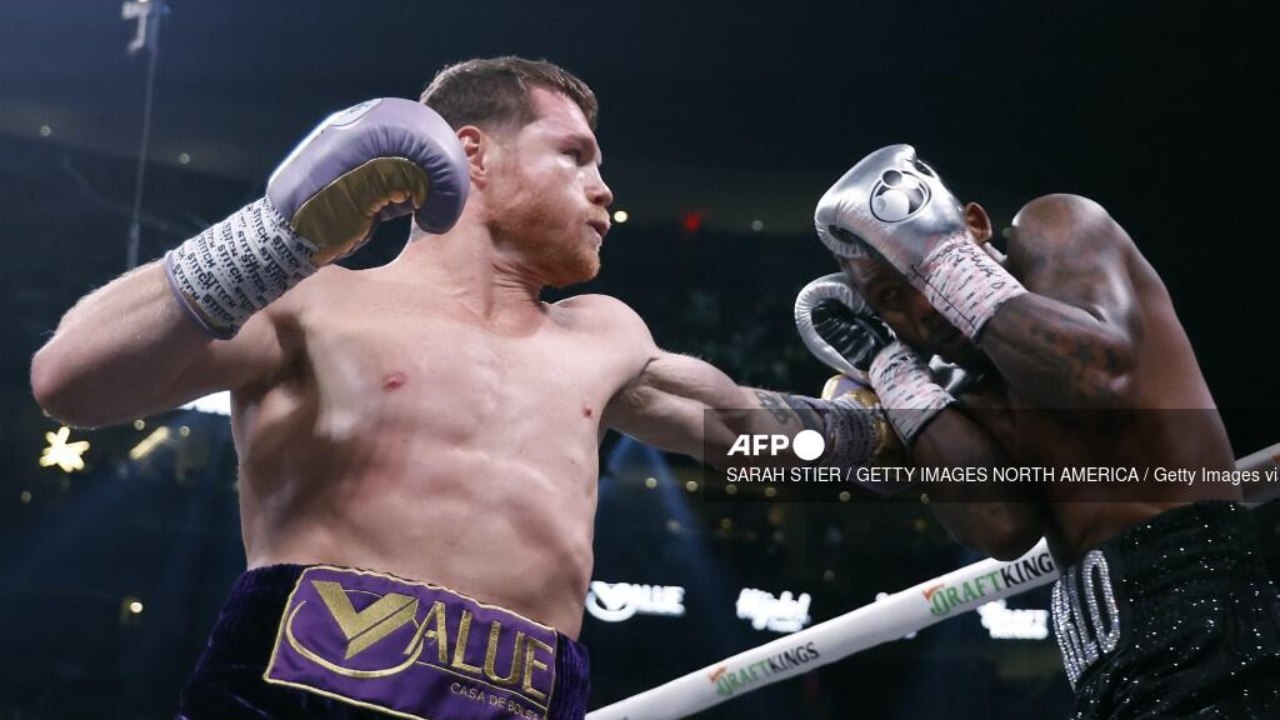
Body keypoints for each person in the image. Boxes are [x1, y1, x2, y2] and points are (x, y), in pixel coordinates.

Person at [29, 57, 890, 720]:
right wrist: (273, 237)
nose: (605, 187)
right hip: (310, 676)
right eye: (575, 155)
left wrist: (879, 412)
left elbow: (749, 433)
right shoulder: (317, 301)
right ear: (471, 153)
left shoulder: (604, 335)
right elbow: (71, 381)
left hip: (529, 691)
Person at [802, 144, 1280, 718]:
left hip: (1208, 626)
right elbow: (1001, 528)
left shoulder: (1057, 228)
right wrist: (890, 367)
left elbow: (1099, 376)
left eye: (916, 268)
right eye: (889, 299)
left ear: (975, 225)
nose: (921, 306)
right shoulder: (954, 387)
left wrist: (943, 258)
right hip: (1106, 673)